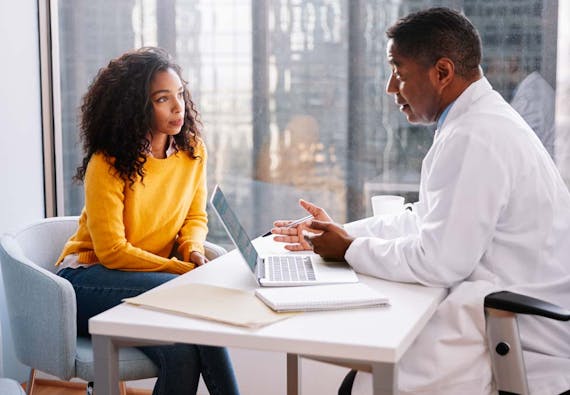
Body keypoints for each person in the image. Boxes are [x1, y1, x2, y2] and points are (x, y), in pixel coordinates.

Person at [272, 7, 570, 395]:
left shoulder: (475, 136)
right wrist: (343, 234)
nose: (391, 88)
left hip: (522, 340)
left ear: (442, 72)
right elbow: (426, 218)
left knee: (364, 384)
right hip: (507, 318)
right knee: (364, 377)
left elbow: (440, 262)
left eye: (398, 71)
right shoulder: (478, 122)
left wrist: (348, 250)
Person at [55, 47, 240, 395]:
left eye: (180, 95)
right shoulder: (107, 163)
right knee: (193, 297)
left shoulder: (192, 152)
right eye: (162, 99)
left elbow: (194, 216)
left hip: (151, 281)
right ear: (136, 107)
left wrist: (193, 250)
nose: (177, 107)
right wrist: (180, 271)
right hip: (85, 283)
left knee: (183, 354)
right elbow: (111, 252)